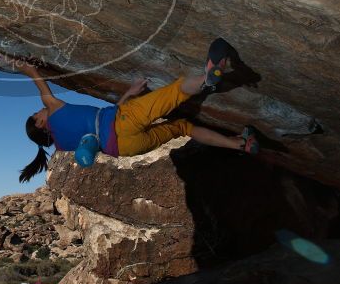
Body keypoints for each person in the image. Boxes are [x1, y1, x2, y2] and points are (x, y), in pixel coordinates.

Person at [18, 38, 260, 182]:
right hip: (124, 120)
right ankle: (206, 80)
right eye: (36, 114)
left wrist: (129, 93)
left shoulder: (63, 146)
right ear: (40, 124)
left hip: (126, 147)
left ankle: (240, 144)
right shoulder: (55, 112)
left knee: (183, 128)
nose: (40, 110)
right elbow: (44, 92)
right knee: (176, 91)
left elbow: (99, 128)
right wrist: (29, 70)